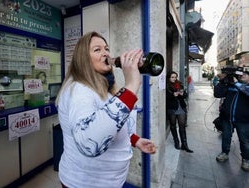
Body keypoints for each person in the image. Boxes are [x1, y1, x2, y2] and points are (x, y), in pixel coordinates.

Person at [55, 31, 157, 188]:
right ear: (83, 59)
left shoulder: (104, 87)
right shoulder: (79, 90)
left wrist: (134, 140)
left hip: (111, 181)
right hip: (84, 183)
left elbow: (108, 123)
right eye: (97, 50)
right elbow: (90, 142)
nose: (106, 53)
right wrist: (131, 85)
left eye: (106, 49)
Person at [214, 64, 249, 172]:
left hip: (243, 120)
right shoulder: (231, 84)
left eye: (245, 74)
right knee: (226, 137)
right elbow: (217, 94)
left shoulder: (244, 86)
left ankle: (246, 159)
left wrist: (236, 83)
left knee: (244, 140)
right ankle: (225, 153)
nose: (242, 75)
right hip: (227, 117)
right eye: (241, 74)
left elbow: (246, 91)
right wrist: (223, 81)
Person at [166, 71, 193, 153]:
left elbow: (185, 95)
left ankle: (184, 145)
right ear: (169, 78)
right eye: (172, 77)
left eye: (175, 77)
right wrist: (172, 95)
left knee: (182, 126)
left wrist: (182, 94)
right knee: (173, 125)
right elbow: (165, 97)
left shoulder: (179, 84)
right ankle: (176, 142)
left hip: (180, 107)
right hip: (172, 108)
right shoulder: (166, 85)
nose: (174, 79)